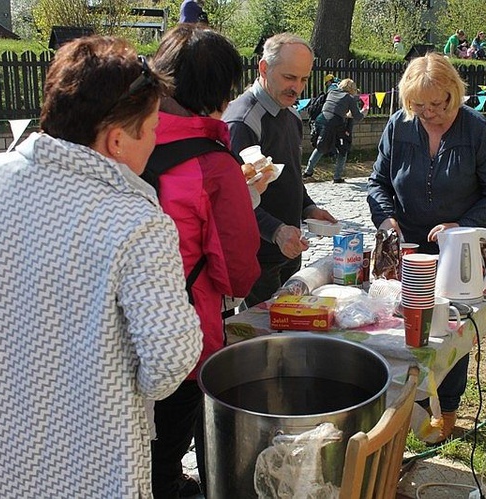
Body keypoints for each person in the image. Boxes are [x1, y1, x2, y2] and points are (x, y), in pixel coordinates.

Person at [0, 36, 202, 497]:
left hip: (1, 445)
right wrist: (120, 379)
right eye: (151, 128)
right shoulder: (135, 221)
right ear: (117, 140)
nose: (156, 139)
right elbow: (170, 359)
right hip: (90, 456)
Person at [367, 52, 486, 442]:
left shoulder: (476, 129)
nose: (429, 113)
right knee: (401, 325)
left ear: (454, 93)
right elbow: (378, 184)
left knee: (451, 332)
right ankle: (406, 406)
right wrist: (387, 220)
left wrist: (462, 227)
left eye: (438, 104)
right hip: (408, 246)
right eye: (419, 106)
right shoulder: (398, 126)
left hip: (461, 250)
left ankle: (447, 410)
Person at [148, 25, 266, 498]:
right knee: (166, 448)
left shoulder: (114, 139)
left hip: (106, 330)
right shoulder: (214, 164)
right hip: (182, 335)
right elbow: (239, 271)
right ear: (222, 90)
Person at [223, 33, 337, 307]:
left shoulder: (291, 113)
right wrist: (275, 231)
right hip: (257, 256)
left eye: (304, 79)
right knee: (264, 339)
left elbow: (291, 177)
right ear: (264, 68)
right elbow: (232, 200)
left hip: (289, 248)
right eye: (289, 78)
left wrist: (308, 208)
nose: (297, 88)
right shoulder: (242, 121)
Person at [303, 78, 366, 182]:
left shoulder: (332, 92)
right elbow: (358, 117)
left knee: (320, 146)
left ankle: (308, 171)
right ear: (352, 88)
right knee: (343, 148)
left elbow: (334, 107)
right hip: (335, 123)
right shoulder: (349, 97)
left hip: (321, 119)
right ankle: (337, 177)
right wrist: (364, 111)